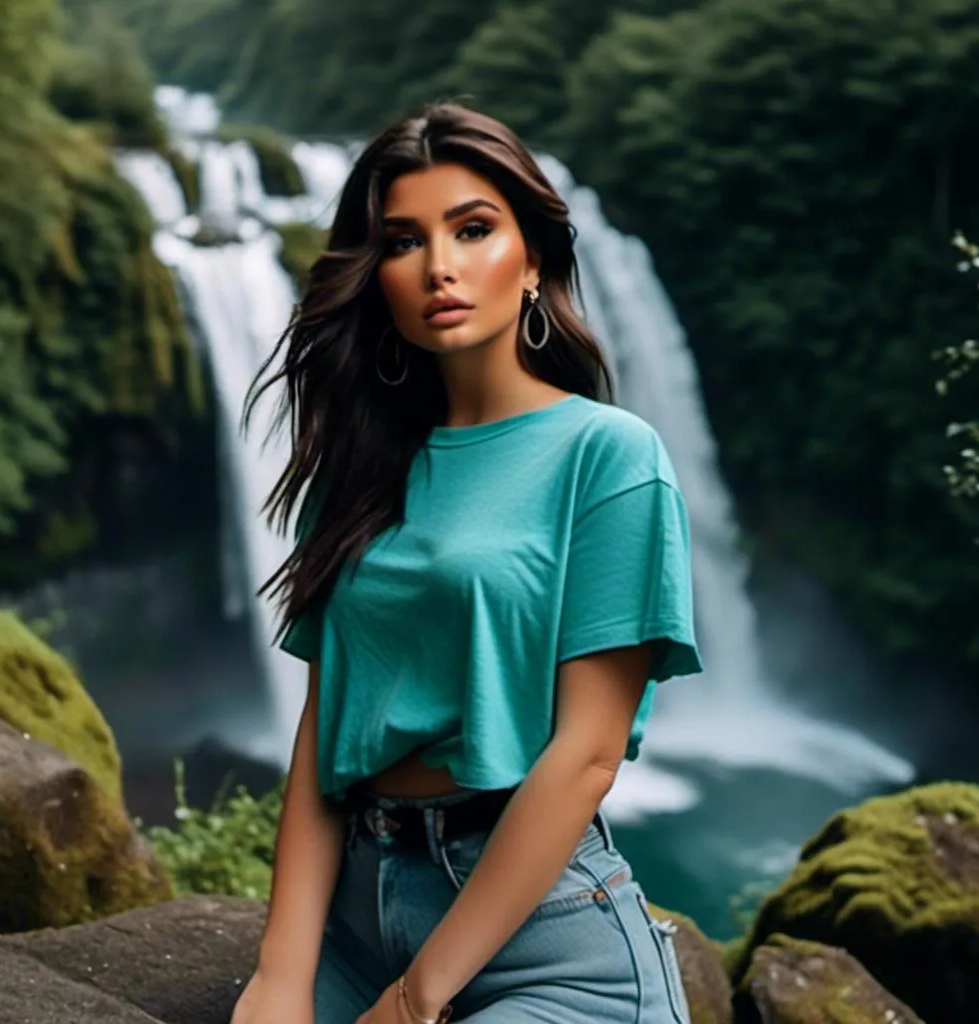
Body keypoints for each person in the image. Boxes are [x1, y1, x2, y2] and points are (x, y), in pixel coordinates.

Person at [232, 101, 703, 1024]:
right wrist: (281, 974)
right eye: (403, 242)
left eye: (474, 230)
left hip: (548, 942)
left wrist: (415, 1003)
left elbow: (587, 755)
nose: (438, 266)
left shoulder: (607, 456)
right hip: (359, 921)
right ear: (378, 278)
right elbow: (326, 731)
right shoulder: (361, 472)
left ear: (532, 262)